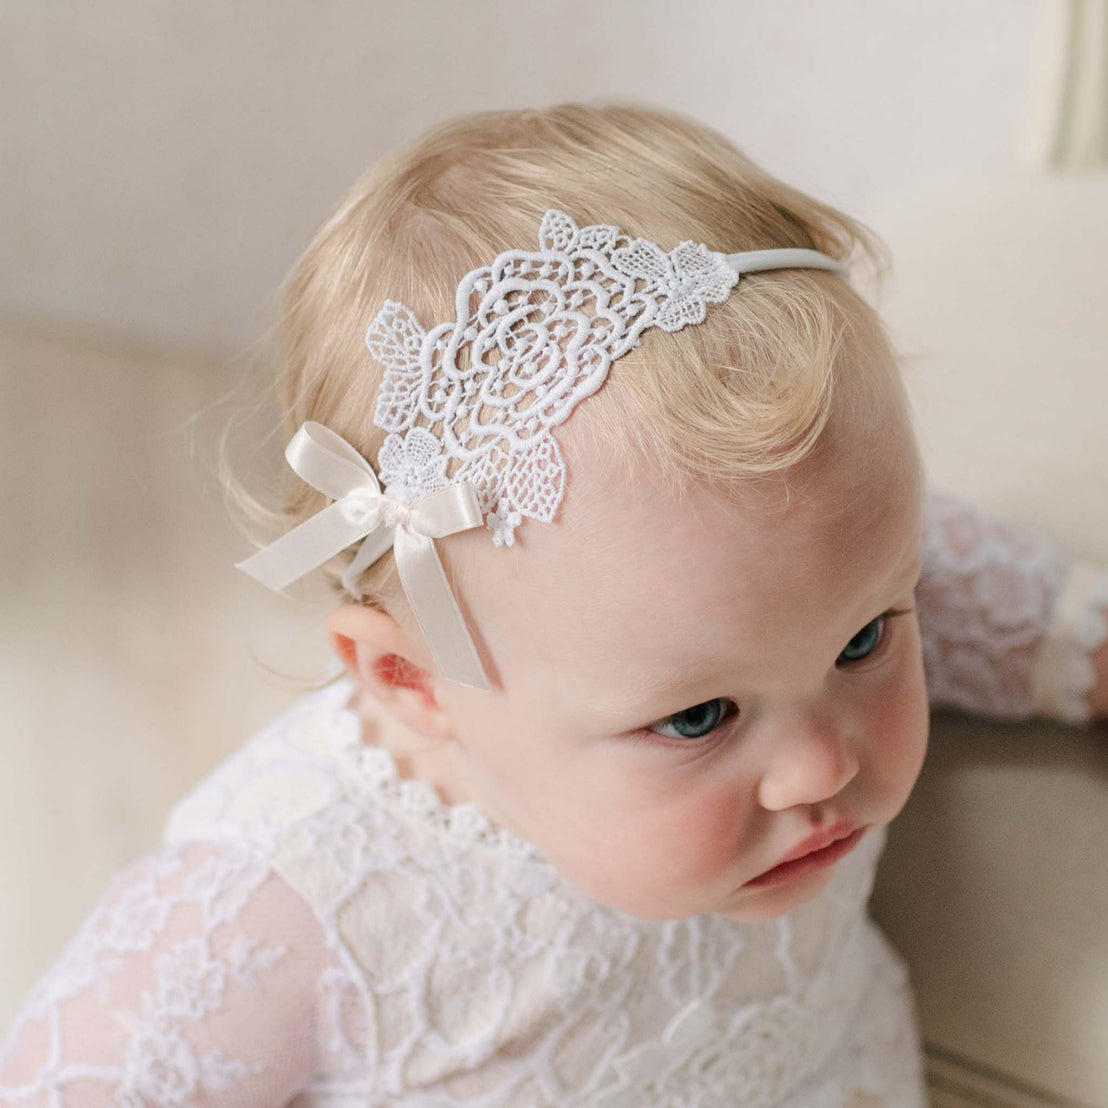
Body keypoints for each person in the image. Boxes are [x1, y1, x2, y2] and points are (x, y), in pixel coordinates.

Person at [1, 100, 1105, 1108]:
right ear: (411, 679)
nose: (824, 765)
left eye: (863, 639)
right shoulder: (296, 907)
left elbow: (949, 571)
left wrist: (1077, 648)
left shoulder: (790, 607)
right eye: (697, 717)